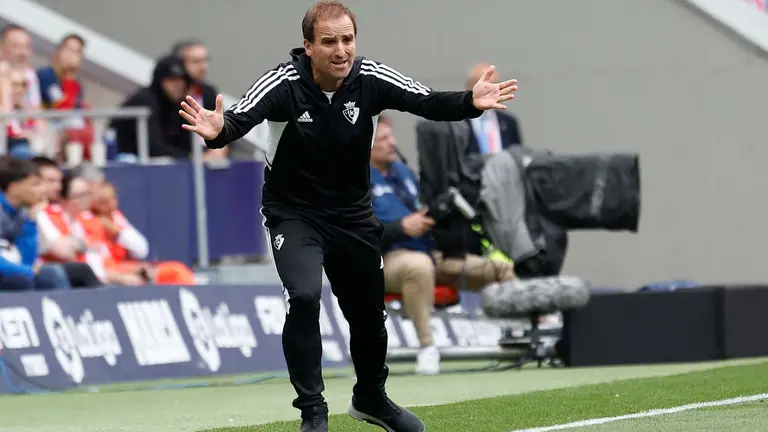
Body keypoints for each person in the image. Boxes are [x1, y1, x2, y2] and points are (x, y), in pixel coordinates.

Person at [178, 1, 517, 431]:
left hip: (353, 217)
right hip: (294, 215)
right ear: (308, 46)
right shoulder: (283, 83)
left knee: (368, 315)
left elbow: (427, 102)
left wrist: (470, 101)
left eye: (347, 40)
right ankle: (314, 413)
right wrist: (217, 131)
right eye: (329, 42)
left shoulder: (371, 79)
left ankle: (371, 398)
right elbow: (239, 118)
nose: (341, 50)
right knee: (304, 297)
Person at [370, 113, 516, 375]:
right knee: (419, 266)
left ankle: (520, 330)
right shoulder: (353, 180)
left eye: (391, 136)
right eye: (383, 139)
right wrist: (400, 227)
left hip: (429, 252)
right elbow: (353, 233)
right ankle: (427, 347)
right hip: (386, 260)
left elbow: (423, 207)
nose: (391, 142)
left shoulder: (403, 172)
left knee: (501, 269)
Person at [0, 157, 71, 291]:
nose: (42, 190)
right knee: (45, 274)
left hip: (12, 274)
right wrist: (27, 271)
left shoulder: (22, 213)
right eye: (35, 184)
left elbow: (26, 260)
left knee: (66, 270)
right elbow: (27, 268)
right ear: (13, 187)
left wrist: (30, 221)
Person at [112, 55, 193, 159]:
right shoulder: (145, 101)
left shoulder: (179, 104)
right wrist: (189, 156)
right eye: (172, 80)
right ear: (160, 81)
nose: (179, 85)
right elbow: (153, 147)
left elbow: (188, 143)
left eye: (182, 80)